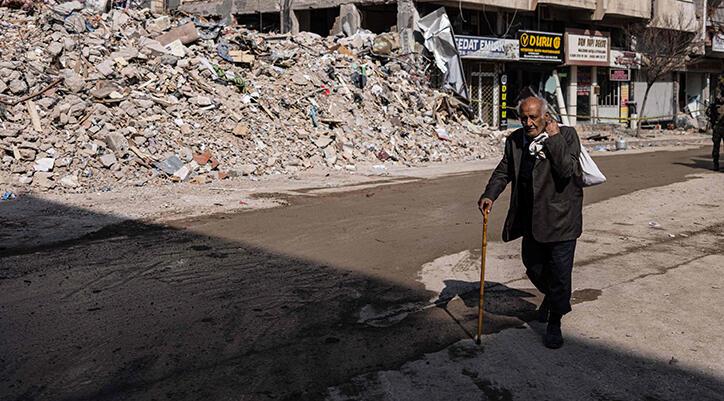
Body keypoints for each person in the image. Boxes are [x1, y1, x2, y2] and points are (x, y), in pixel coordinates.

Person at [477, 96, 583, 349]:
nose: (528, 122)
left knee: (559, 273)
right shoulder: (515, 140)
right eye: (523, 117)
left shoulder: (567, 135)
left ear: (545, 116)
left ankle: (555, 321)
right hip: (531, 219)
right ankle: (553, 296)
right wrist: (489, 194)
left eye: (533, 117)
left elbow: (567, 171)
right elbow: (504, 170)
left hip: (561, 219)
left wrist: (554, 136)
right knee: (533, 266)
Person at [707, 85, 723, 171]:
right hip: (717, 127)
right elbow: (708, 113)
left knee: (716, 146)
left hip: (719, 127)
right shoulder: (714, 105)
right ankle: (715, 163)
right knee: (716, 146)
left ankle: (716, 164)